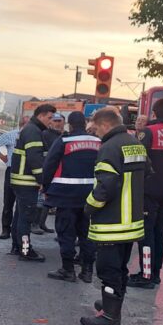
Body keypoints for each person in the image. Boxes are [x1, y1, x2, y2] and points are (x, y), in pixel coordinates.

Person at [80, 108, 147, 325]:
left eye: (96, 127)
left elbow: (105, 187)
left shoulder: (109, 147)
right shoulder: (134, 142)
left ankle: (110, 317)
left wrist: (89, 207)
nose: (95, 132)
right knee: (120, 267)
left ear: (105, 124)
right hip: (132, 222)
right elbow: (146, 173)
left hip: (113, 222)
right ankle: (113, 303)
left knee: (107, 269)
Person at [128, 99, 163, 289]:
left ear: (153, 113)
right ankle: (155, 274)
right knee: (159, 233)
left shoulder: (148, 132)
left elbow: (137, 162)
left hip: (148, 191)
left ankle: (145, 275)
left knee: (145, 234)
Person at [42, 112, 100, 283]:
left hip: (66, 195)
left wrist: (46, 188)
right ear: (86, 123)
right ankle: (87, 270)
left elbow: (49, 165)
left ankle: (68, 270)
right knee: (87, 233)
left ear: (70, 125)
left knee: (66, 232)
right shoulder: (98, 142)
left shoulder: (64, 141)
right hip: (91, 195)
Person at [8, 104, 56, 261]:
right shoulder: (33, 131)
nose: (51, 121)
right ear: (41, 116)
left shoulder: (30, 129)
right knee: (26, 217)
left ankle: (17, 246)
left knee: (20, 215)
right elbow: (35, 158)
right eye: (49, 118)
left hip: (21, 180)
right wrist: (43, 181)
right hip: (26, 181)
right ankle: (25, 250)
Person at [33, 112, 65, 234]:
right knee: (41, 198)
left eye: (60, 121)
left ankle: (42, 223)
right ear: (50, 122)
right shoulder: (45, 134)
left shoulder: (63, 135)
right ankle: (35, 224)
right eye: (55, 121)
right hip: (46, 170)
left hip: (58, 173)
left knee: (49, 200)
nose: (58, 123)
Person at [0, 120, 26, 240]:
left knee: (22, 203)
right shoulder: (11, 135)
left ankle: (18, 229)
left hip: (26, 172)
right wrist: (3, 157)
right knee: (8, 201)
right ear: (21, 125)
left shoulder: (35, 136)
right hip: (12, 170)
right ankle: (5, 229)